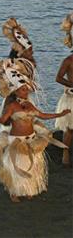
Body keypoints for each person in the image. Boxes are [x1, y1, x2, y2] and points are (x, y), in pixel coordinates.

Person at [0, 58, 70, 202]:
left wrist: (60, 114)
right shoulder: (12, 106)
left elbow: (42, 115)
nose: (26, 91)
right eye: (23, 89)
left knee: (30, 167)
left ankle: (29, 189)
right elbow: (4, 119)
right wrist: (0, 120)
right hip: (16, 141)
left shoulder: (29, 105)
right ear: (15, 91)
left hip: (31, 139)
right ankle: (14, 192)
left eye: (27, 89)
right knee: (16, 169)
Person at [55, 12, 73, 166]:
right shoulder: (68, 60)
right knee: (70, 128)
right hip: (71, 98)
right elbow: (58, 78)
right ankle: (65, 154)